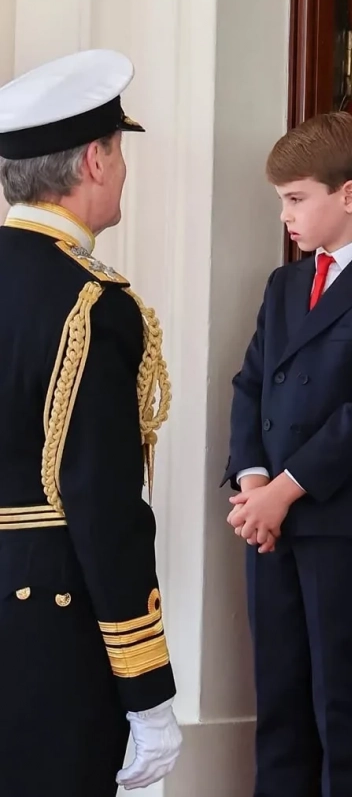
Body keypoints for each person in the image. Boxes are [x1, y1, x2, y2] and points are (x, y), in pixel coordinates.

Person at [223, 112, 352, 797]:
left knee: (338, 698)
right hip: (268, 521)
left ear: (349, 195)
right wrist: (254, 482)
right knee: (278, 693)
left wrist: (282, 492)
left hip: (340, 520)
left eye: (295, 198)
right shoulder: (283, 285)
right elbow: (250, 383)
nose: (285, 215)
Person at [0, 50, 180, 796]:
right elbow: (104, 509)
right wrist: (149, 692)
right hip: (48, 632)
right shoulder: (91, 303)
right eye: (118, 152)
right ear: (94, 161)